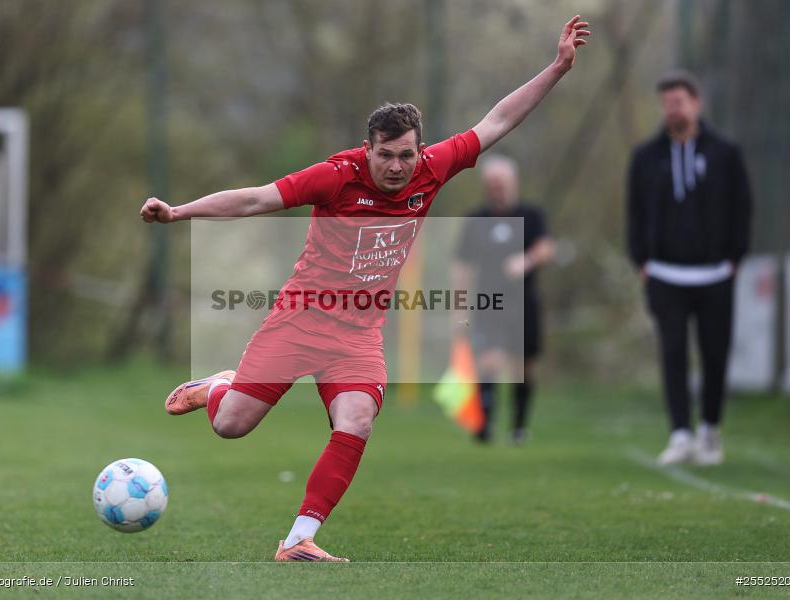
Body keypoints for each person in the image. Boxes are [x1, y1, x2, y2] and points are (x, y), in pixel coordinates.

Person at [141, 16, 590, 561]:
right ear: (367, 148)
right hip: (300, 317)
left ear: (420, 151)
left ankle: (299, 540)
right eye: (386, 155)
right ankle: (219, 387)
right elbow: (255, 199)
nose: (398, 167)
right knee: (232, 425)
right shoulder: (335, 176)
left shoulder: (433, 168)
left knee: (356, 420)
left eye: (407, 155)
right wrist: (177, 213)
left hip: (357, 333)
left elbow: (498, 120)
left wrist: (558, 68)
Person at [626, 70, 752, 466]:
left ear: (696, 103)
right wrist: (642, 261)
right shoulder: (645, 157)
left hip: (715, 272)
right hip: (664, 273)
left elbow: (742, 207)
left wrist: (734, 258)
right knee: (674, 352)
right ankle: (680, 434)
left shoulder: (725, 152)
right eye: (666, 103)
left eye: (678, 101)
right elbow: (634, 212)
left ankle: (710, 431)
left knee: (714, 354)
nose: (672, 109)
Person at [453, 155, 553, 445]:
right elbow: (463, 267)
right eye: (492, 184)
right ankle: (485, 424)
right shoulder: (475, 220)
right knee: (489, 361)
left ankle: (519, 427)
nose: (497, 188)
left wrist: (527, 260)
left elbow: (546, 248)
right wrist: (458, 307)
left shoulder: (531, 215)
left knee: (523, 367)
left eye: (502, 183)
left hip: (524, 302)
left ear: (514, 183)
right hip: (488, 300)